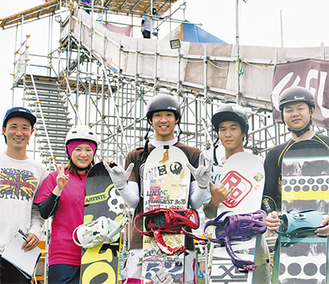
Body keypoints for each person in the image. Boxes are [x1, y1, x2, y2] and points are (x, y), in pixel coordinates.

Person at [104, 94, 212, 283]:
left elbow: (195, 203)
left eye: (169, 115)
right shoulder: (137, 155)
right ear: (150, 120)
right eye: (157, 115)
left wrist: (202, 184)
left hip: (180, 237)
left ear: (177, 119)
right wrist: (121, 185)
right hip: (142, 237)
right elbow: (134, 202)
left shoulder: (192, 154)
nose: (163, 120)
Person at [203, 103, 271, 284]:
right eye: (222, 129)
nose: (227, 134)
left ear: (244, 133)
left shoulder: (259, 164)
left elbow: (269, 203)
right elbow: (209, 214)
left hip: (254, 243)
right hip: (222, 247)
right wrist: (214, 202)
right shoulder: (212, 169)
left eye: (233, 128)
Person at [34, 125, 99, 283]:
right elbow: (44, 212)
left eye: (88, 149)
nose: (83, 154)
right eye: (77, 149)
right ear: (69, 151)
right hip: (64, 256)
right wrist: (59, 188)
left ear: (94, 152)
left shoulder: (101, 180)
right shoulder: (55, 177)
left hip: (97, 254)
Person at [263, 86, 329, 234]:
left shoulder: (327, 145)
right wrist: (270, 214)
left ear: (312, 111)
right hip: (292, 232)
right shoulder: (275, 154)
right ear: (283, 116)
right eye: (289, 110)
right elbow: (268, 196)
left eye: (300, 108)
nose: (295, 114)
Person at [0, 107, 47, 284]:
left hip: (19, 252)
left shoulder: (39, 170)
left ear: (31, 132)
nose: (19, 132)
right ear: (3, 130)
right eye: (13, 126)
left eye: (25, 127)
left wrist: (35, 231)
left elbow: (38, 210)